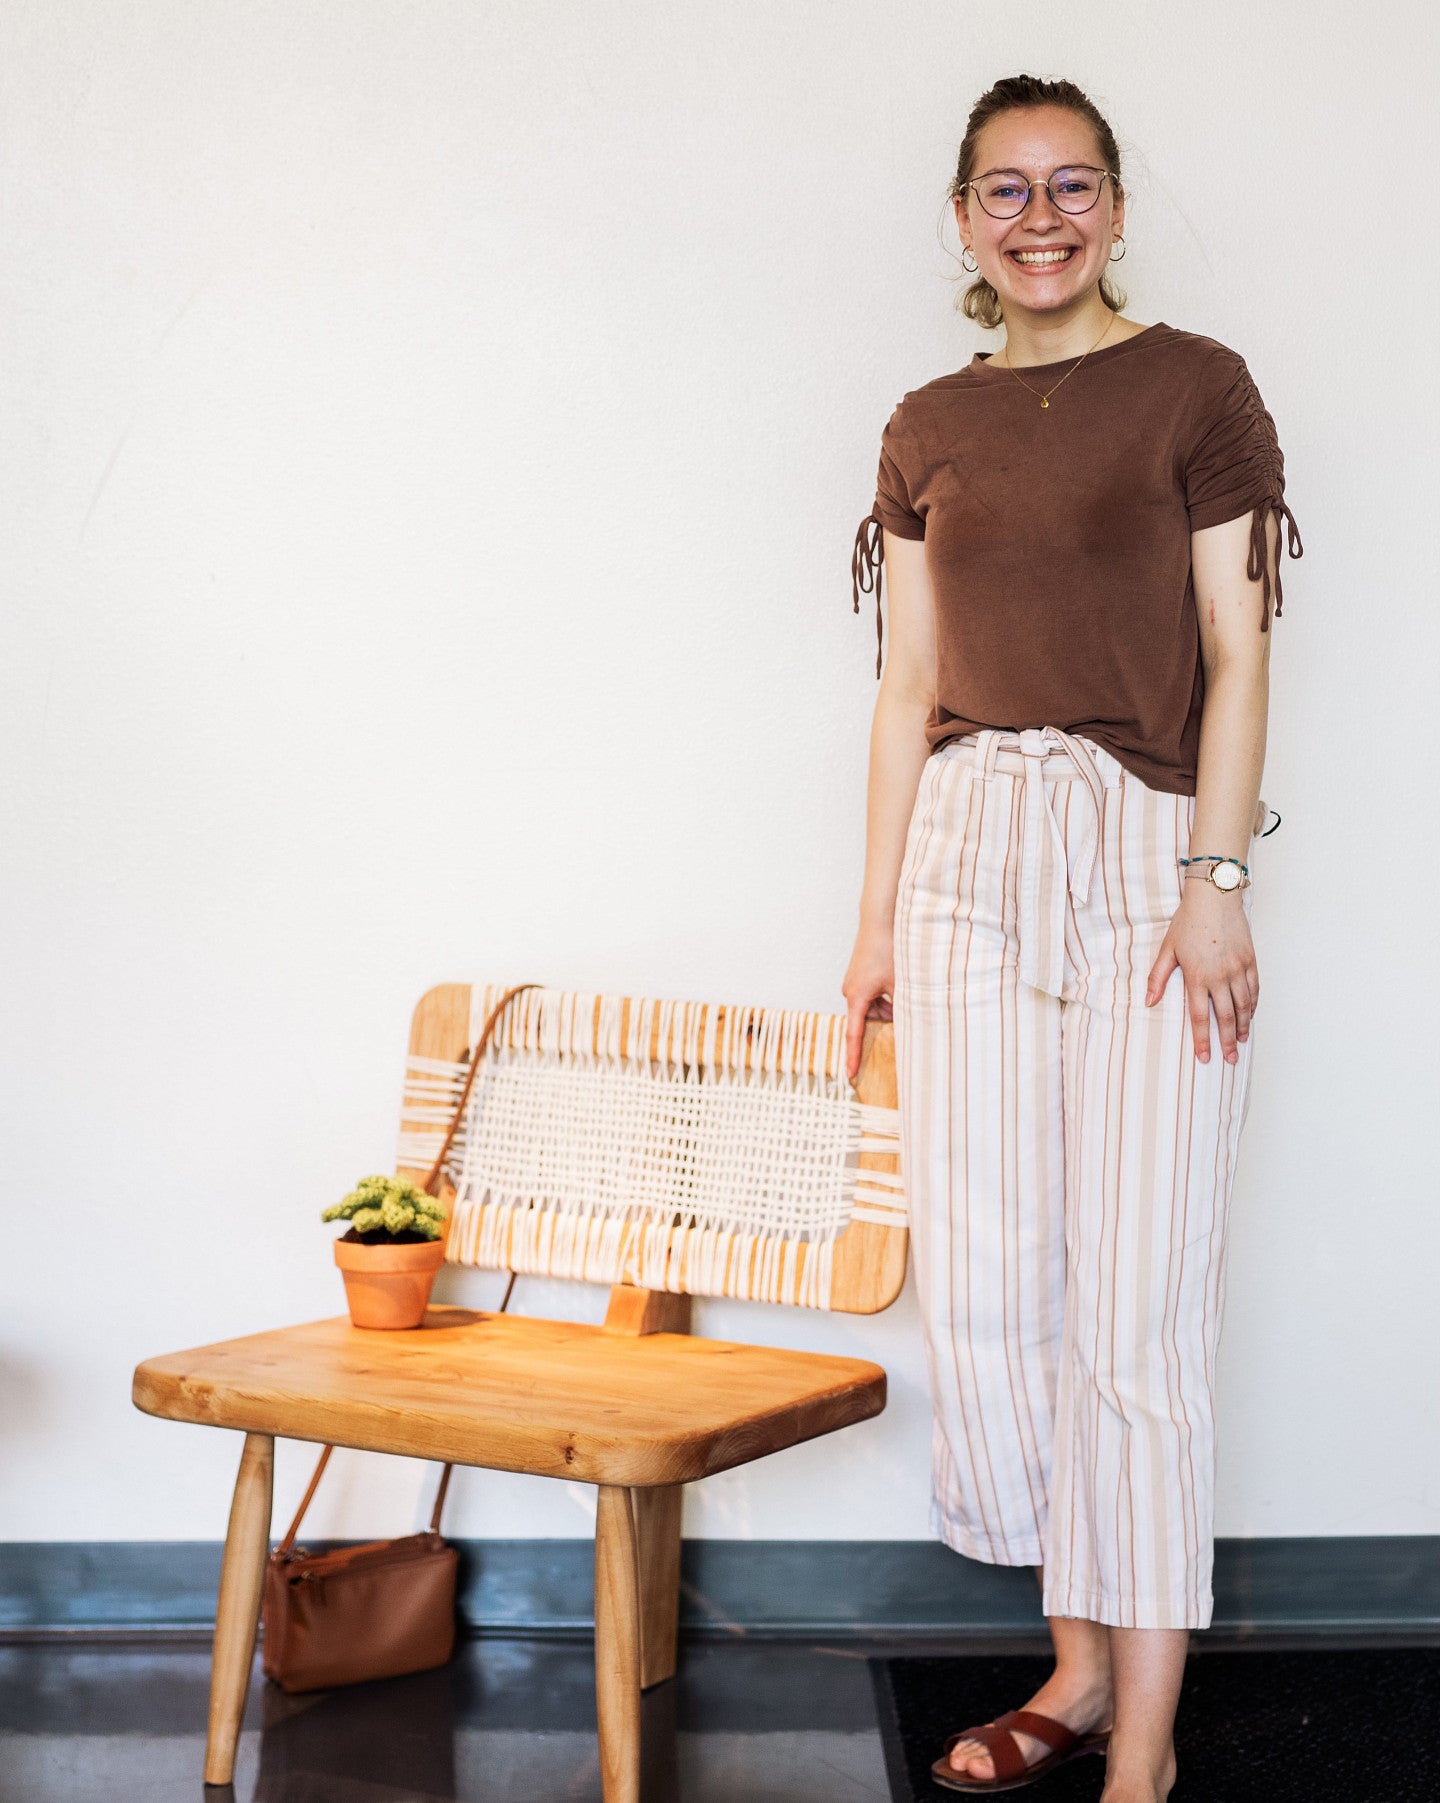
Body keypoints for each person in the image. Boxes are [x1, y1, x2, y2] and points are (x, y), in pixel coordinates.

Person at [841, 74, 1302, 1803]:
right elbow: (905, 687)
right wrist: (875, 919)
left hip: (1139, 844)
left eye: (1074, 185)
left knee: (1141, 1293)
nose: (1042, 217)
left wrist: (1218, 878)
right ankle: (1078, 1672)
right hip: (969, 847)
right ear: (963, 218)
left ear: (1116, 204)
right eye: (1006, 190)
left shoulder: (1198, 387)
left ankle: (1150, 1748)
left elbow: (1241, 652)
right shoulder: (924, 421)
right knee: (1001, 1277)